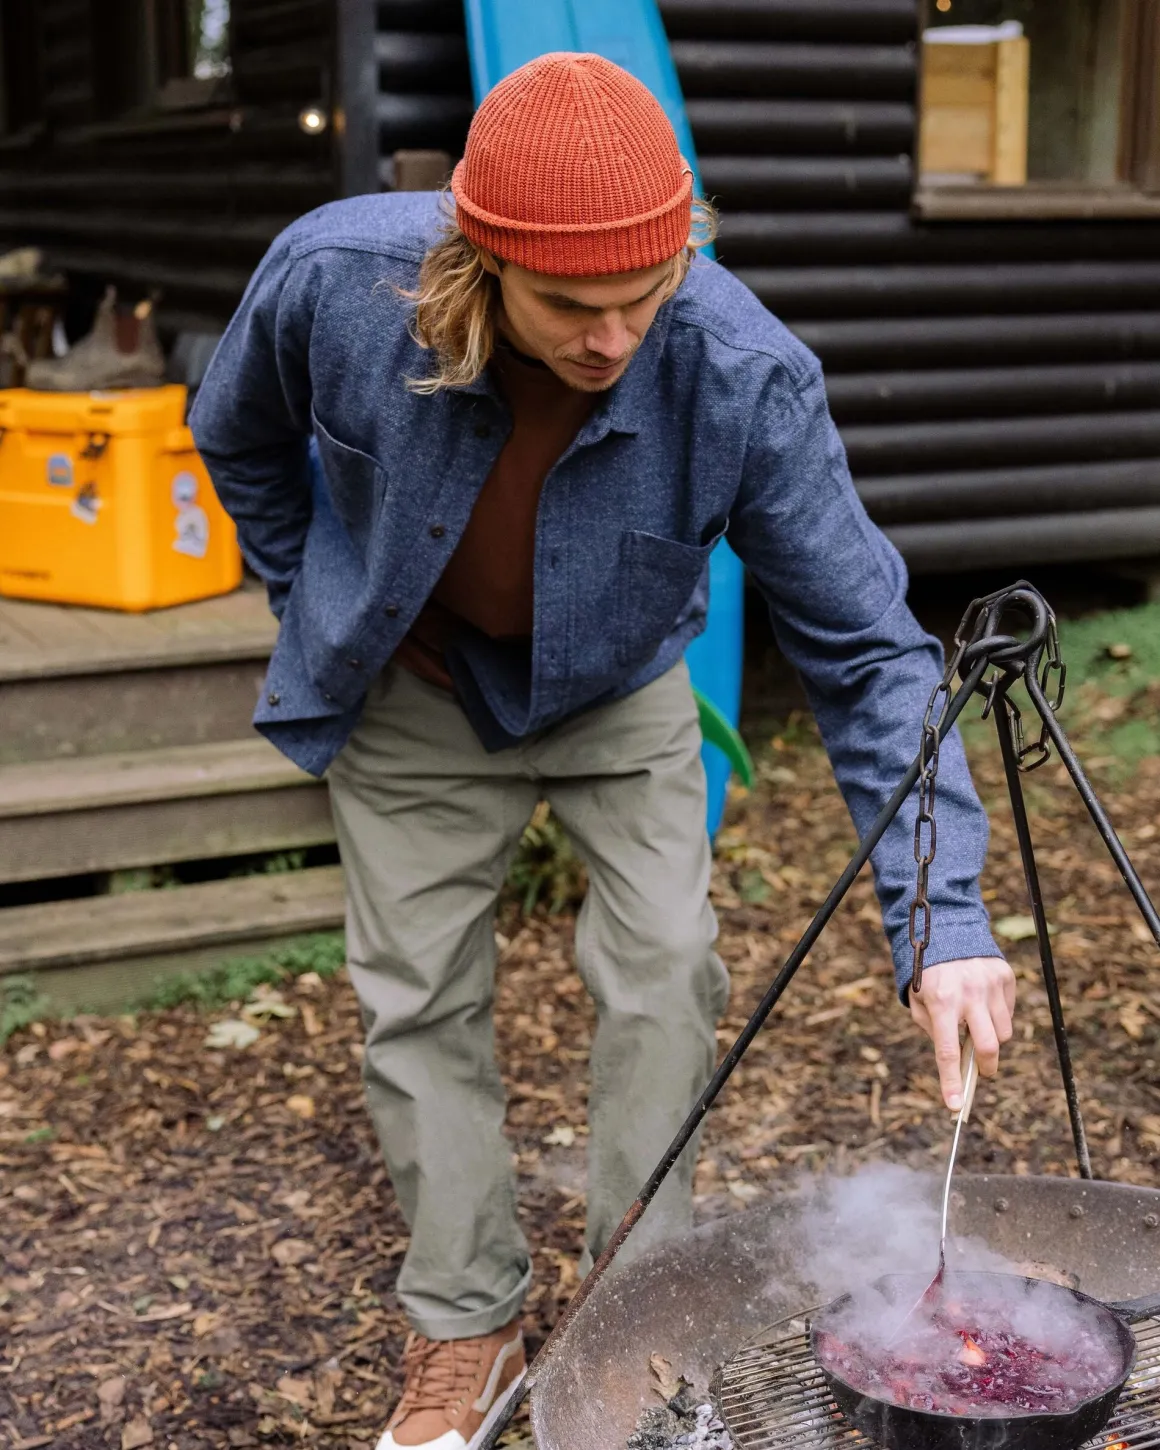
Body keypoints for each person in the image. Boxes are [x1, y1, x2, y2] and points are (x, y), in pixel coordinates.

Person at [191, 51, 1016, 1450]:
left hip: (621, 688)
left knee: (664, 975)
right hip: (414, 683)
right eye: (573, 305)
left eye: (645, 294)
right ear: (480, 259)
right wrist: (313, 597)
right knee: (416, 1000)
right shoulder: (334, 281)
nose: (614, 336)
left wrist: (942, 919)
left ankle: (641, 1308)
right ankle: (465, 1319)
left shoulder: (744, 373)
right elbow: (237, 434)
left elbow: (871, 649)